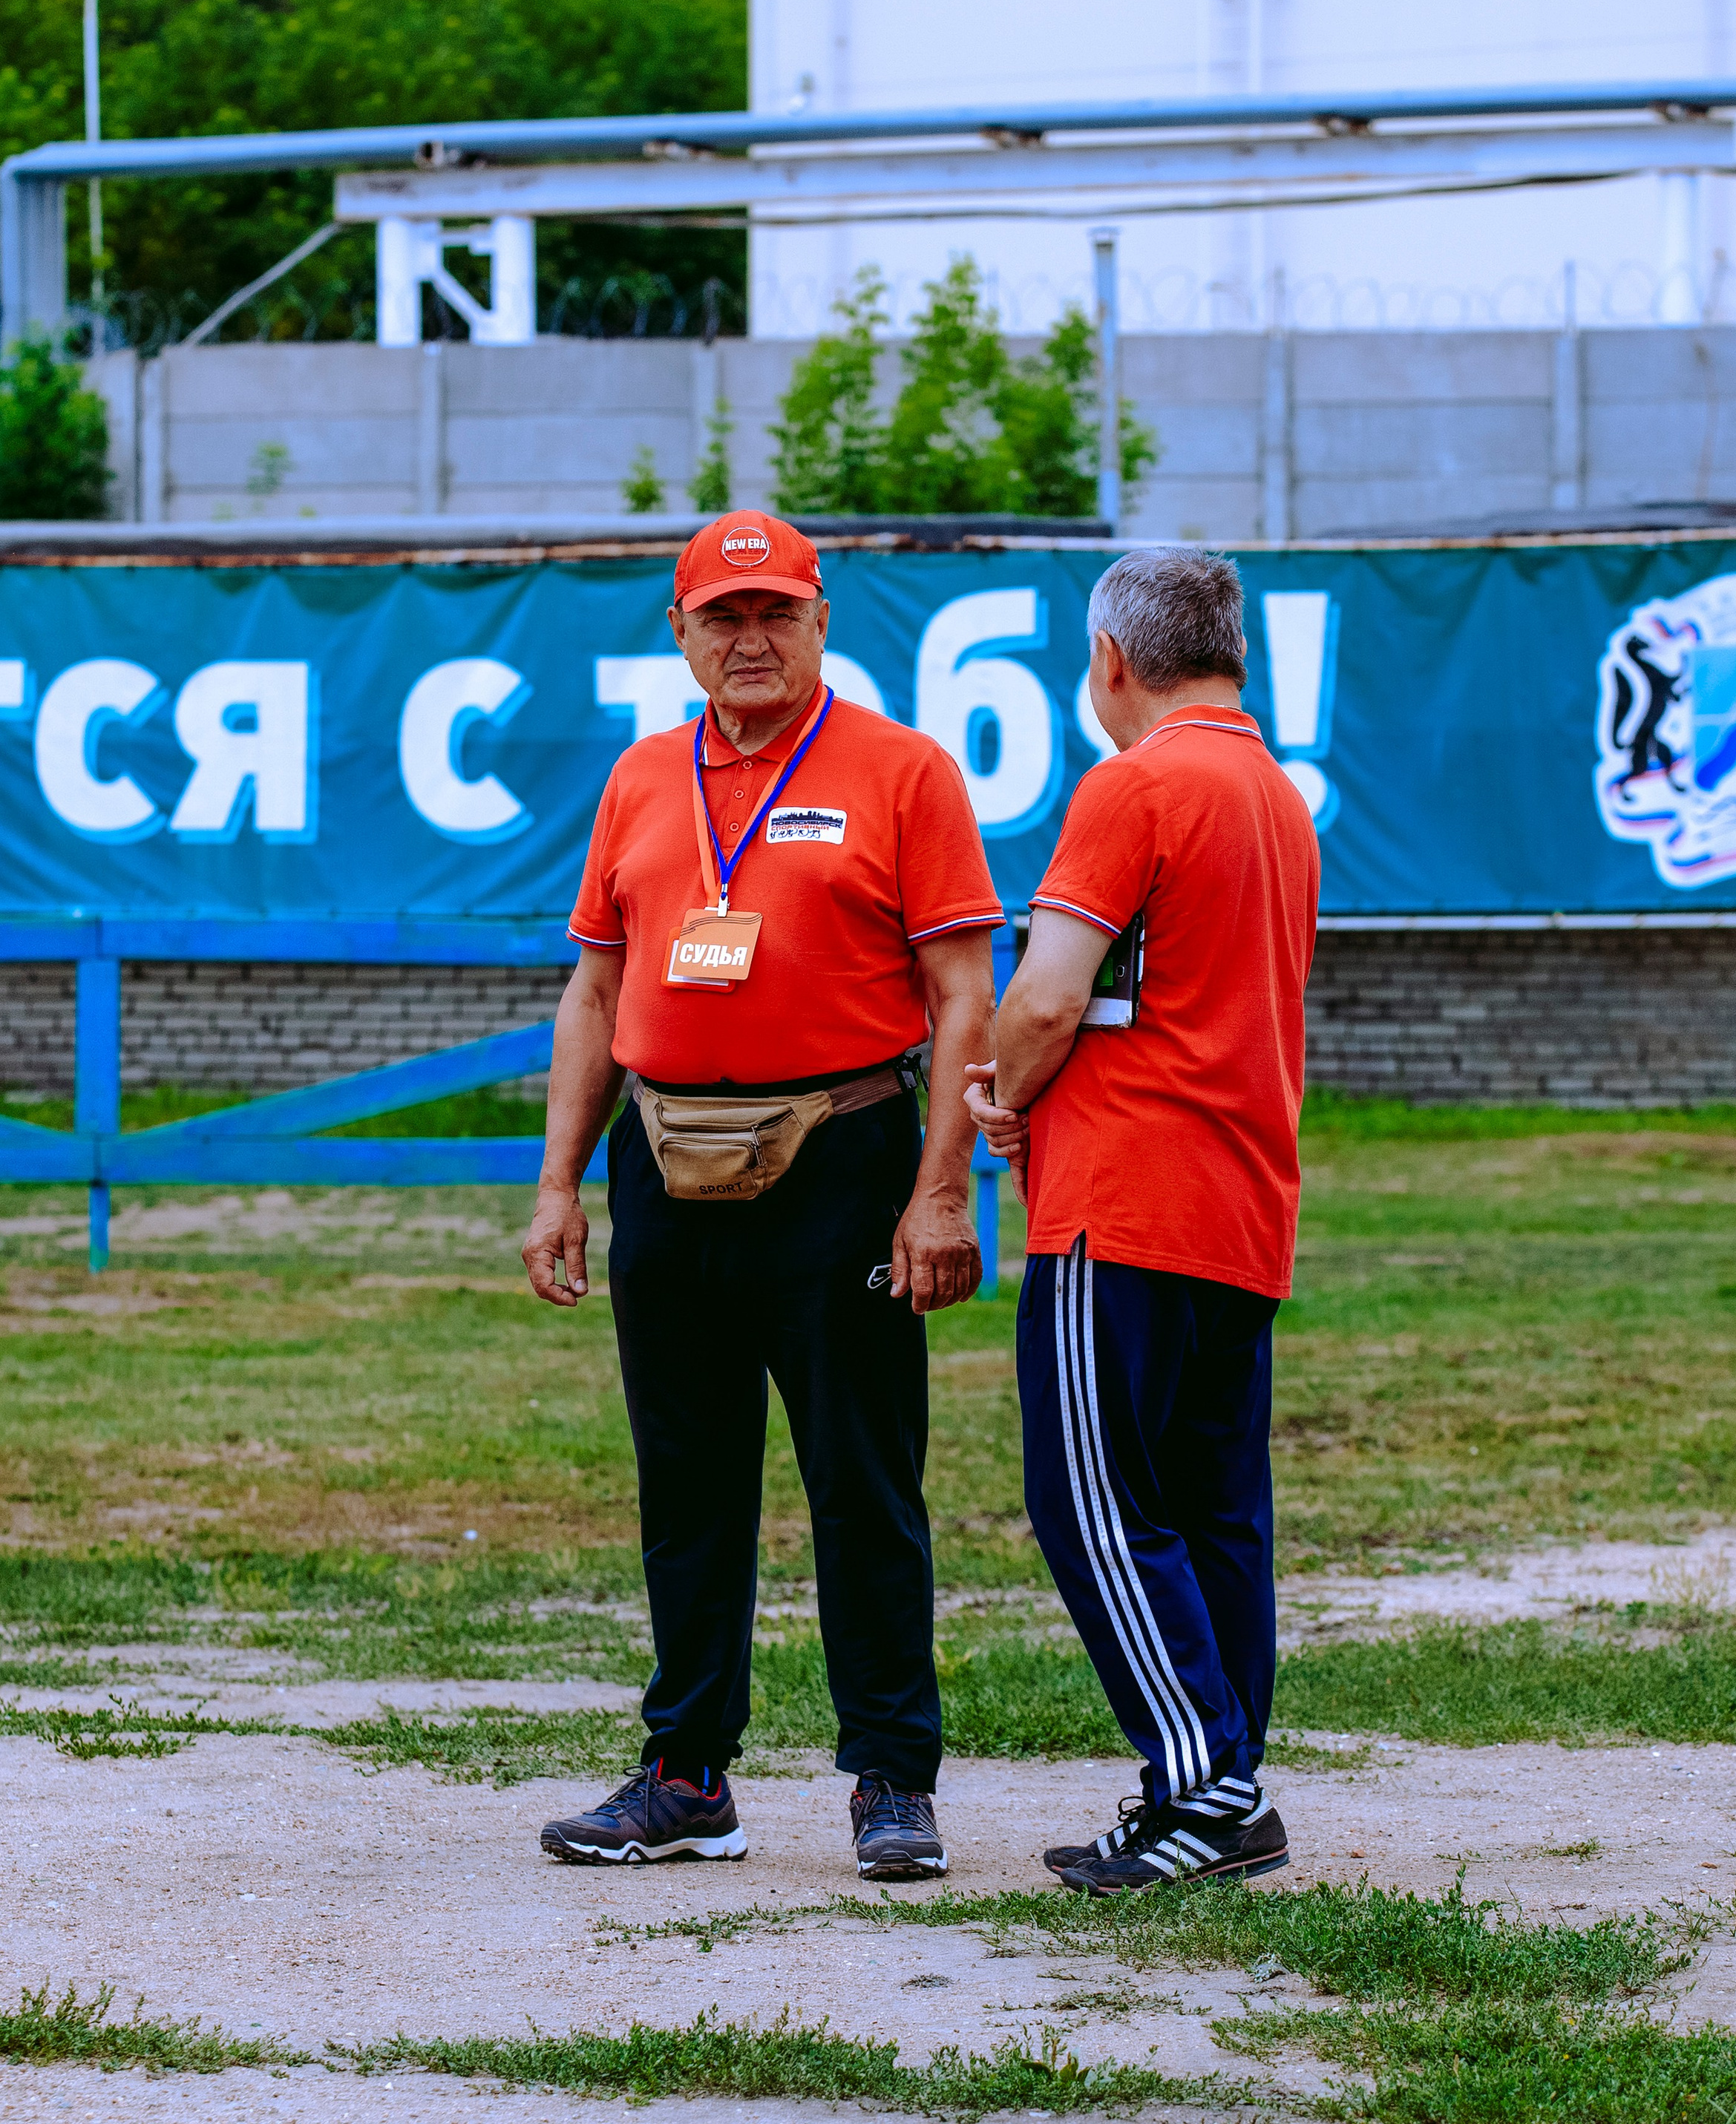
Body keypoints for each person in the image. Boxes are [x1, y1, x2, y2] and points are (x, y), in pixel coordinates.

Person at [522, 509, 1002, 1884]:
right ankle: (687, 1775)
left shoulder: (902, 772)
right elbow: (598, 990)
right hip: (664, 1170)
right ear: (679, 633)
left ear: (821, 624)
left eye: (775, 612)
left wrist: (940, 1193)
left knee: (863, 1480)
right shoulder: (638, 780)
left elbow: (964, 991)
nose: (749, 639)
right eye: (721, 617)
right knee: (686, 1481)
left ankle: (893, 1780)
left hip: (838, 1167)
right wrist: (559, 1184)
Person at [966, 548, 1318, 1895]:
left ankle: (1202, 1778)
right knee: (1215, 1505)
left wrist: (1001, 1090)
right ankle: (1223, 1780)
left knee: (1096, 1502)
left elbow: (1050, 994)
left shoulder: (1136, 783)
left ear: (1111, 659)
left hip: (1121, 1202)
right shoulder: (1277, 798)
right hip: (1241, 1198)